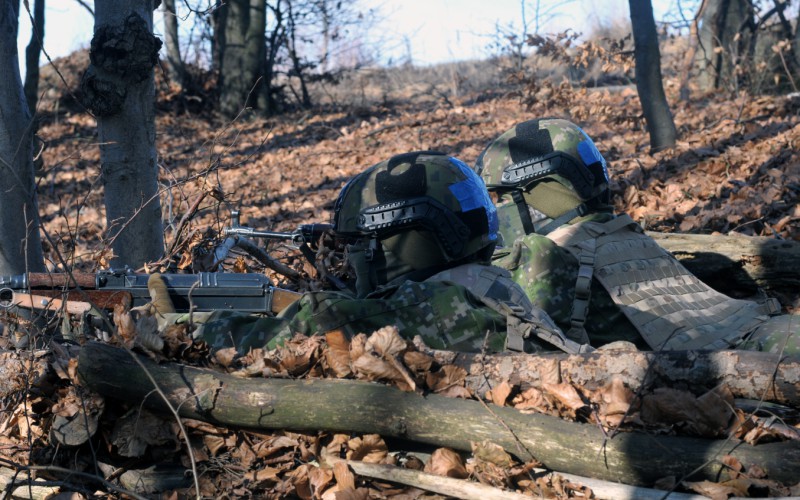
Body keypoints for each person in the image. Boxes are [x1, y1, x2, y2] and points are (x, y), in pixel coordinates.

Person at [184, 151, 584, 355]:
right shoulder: (491, 285)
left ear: (404, 243)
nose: (352, 257)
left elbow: (253, 341)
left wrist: (173, 317)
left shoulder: (428, 305)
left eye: (359, 244)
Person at [474, 117, 798, 354]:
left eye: (500, 197)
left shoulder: (542, 256)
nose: (498, 208)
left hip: (751, 357)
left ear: (537, 191)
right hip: (762, 332)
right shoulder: (618, 228)